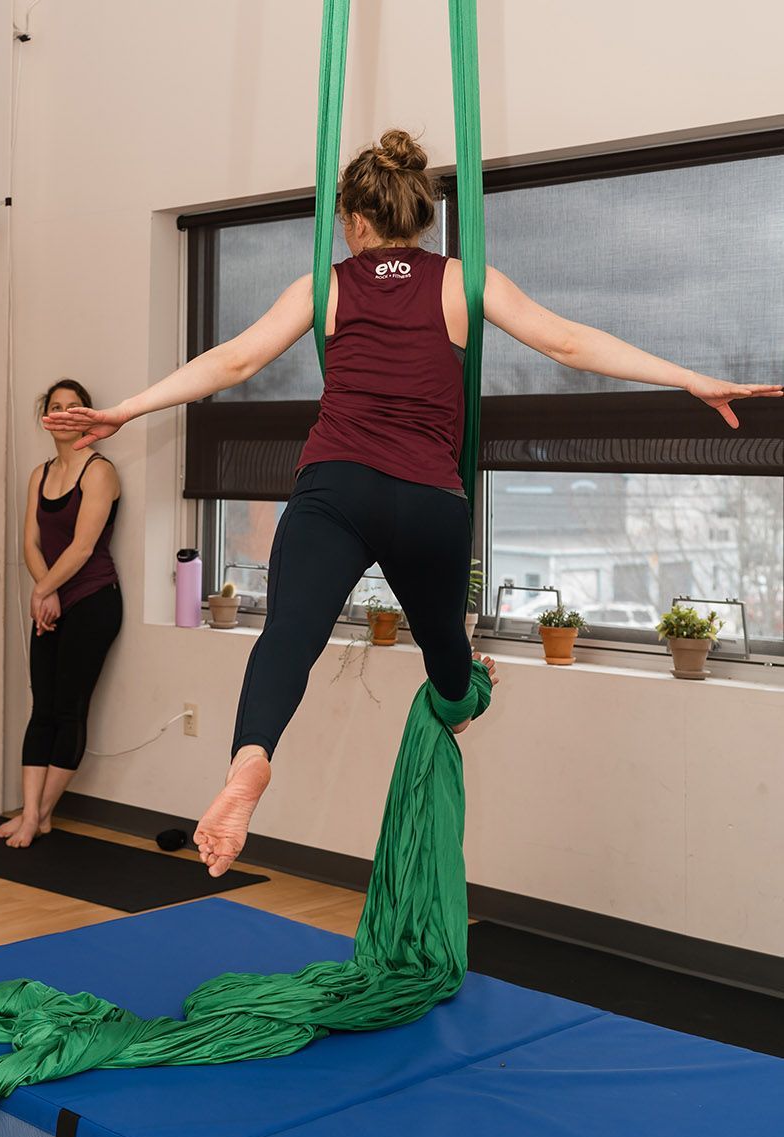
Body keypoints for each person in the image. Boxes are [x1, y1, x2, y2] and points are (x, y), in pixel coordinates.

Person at [46, 130, 782, 876]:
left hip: (334, 488)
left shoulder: (325, 287)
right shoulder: (465, 282)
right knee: (443, 655)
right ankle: (464, 690)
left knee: (288, 640)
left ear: (354, 222)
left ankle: (250, 762)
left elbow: (233, 360)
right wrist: (690, 377)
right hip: (428, 499)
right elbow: (567, 343)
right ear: (421, 215)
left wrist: (127, 410)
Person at [0, 379, 122, 848]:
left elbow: (84, 547)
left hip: (92, 601)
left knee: (69, 709)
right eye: (56, 407)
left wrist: (43, 590)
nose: (65, 413)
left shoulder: (100, 472)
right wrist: (44, 592)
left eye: (75, 407)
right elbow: (30, 542)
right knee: (41, 707)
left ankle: (39, 815)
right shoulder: (39, 474)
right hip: (52, 602)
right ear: (46, 417)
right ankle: (32, 814)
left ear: (87, 416)